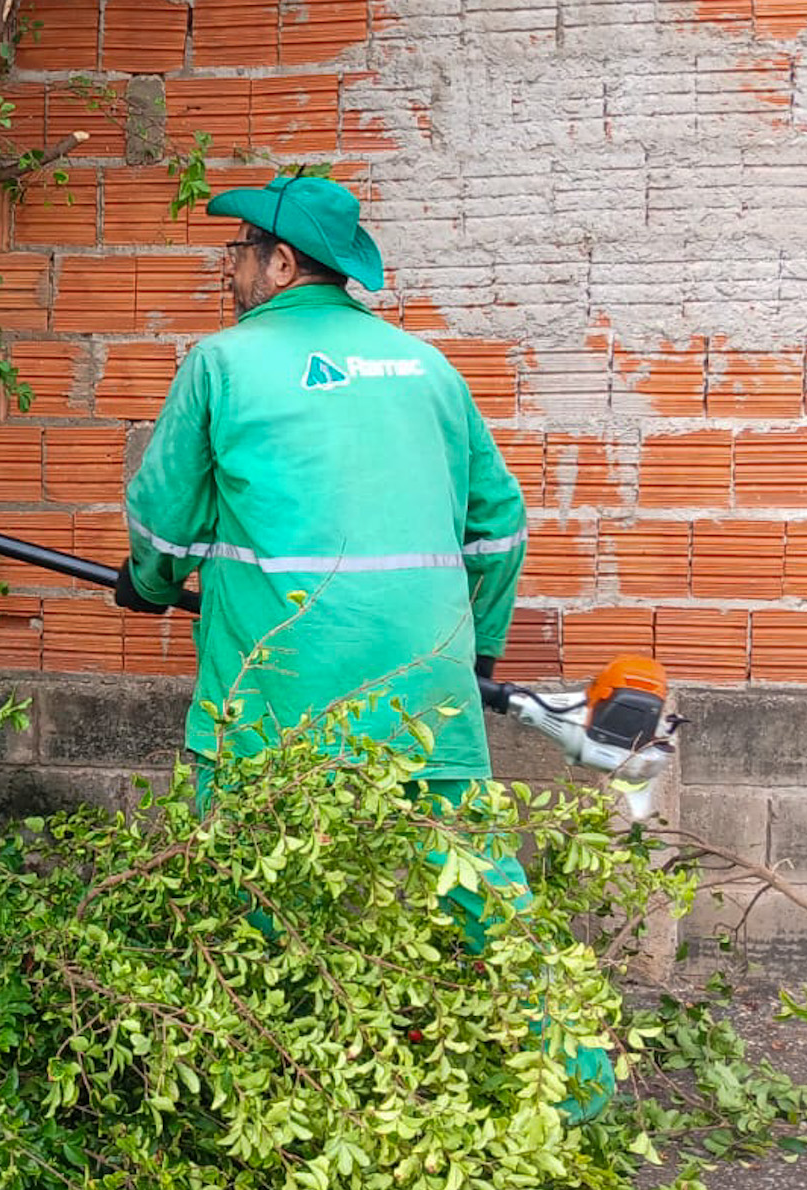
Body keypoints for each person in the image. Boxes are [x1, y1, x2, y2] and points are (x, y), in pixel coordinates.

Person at [111, 173, 612, 1121]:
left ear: (282, 262)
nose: (226, 265)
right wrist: (477, 657)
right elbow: (499, 529)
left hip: (275, 695)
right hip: (426, 689)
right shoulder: (430, 370)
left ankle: (263, 1089)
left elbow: (164, 530)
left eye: (238, 249)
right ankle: (583, 1089)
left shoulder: (220, 366)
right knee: (476, 886)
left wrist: (143, 585)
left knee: (239, 882)